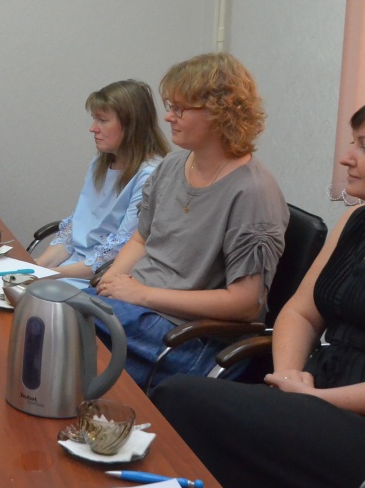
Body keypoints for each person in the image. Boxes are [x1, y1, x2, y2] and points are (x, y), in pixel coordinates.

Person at [152, 94, 365, 488]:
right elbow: (301, 311)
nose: (347, 157)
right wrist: (288, 375)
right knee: (191, 436)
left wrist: (319, 399)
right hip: (312, 394)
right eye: (353, 144)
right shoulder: (356, 222)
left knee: (177, 398)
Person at [93, 53, 288, 386]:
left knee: (64, 325)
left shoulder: (253, 193)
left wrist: (140, 294)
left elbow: (244, 304)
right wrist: (110, 281)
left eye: (180, 109)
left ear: (220, 112)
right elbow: (141, 238)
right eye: (170, 106)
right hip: (137, 309)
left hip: (186, 337)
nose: (168, 117)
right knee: (45, 307)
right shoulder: (171, 167)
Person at [36, 79, 169, 284]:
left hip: (99, 279)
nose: (93, 128)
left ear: (131, 125)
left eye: (103, 120)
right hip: (71, 270)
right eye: (94, 119)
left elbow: (116, 254)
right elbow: (76, 229)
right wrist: (35, 267)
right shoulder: (99, 164)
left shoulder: (150, 175)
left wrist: (48, 274)